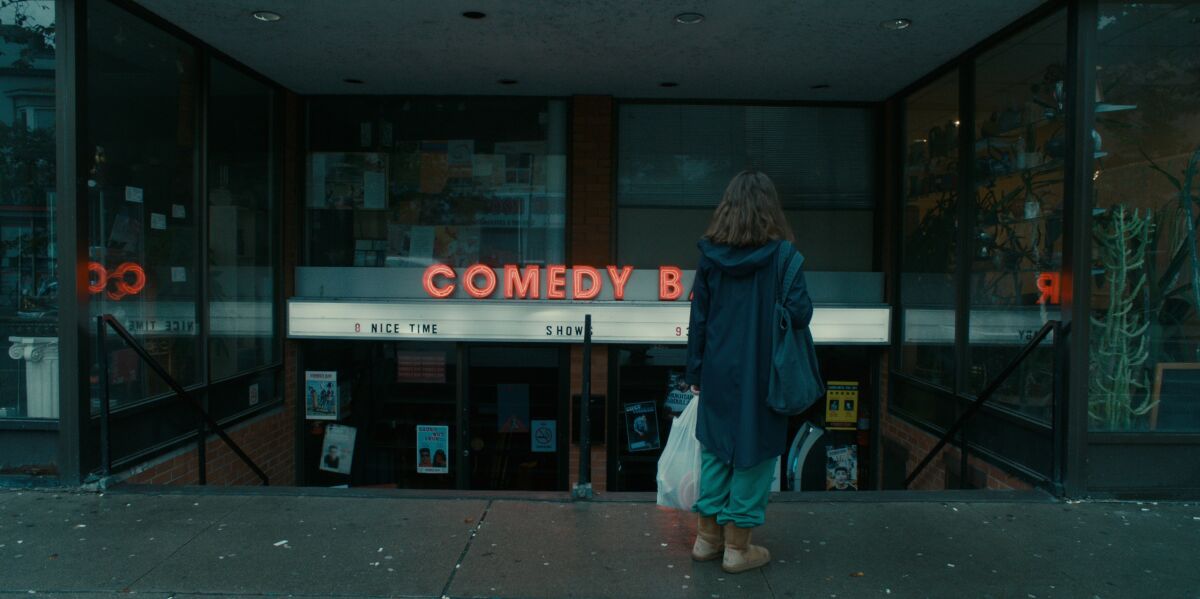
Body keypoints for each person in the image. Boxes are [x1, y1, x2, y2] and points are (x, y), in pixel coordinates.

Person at [685, 170, 814, 575]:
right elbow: (800, 313)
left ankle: (707, 540)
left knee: (717, 450)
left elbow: (699, 320)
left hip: (719, 370)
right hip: (766, 371)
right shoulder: (785, 257)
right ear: (769, 209)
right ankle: (737, 548)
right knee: (754, 456)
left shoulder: (709, 257)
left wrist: (696, 371)